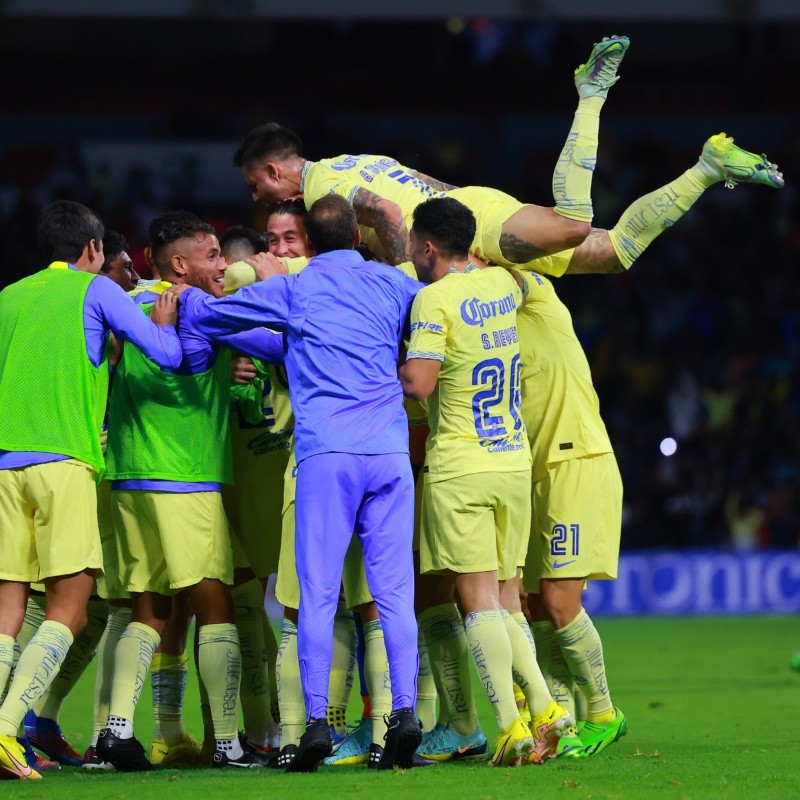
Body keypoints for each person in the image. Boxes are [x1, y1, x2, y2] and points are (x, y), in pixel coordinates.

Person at [176, 194, 423, 773]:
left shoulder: (294, 289)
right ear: (358, 240)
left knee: (315, 592)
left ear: (306, 244)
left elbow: (210, 318)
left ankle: (314, 721)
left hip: (327, 456)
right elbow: (433, 311)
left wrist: (191, 300)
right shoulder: (393, 286)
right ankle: (405, 713)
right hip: (388, 451)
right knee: (393, 594)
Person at [0, 200, 182, 781]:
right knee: (72, 610)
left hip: (6, 467)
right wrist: (168, 324)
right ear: (93, 249)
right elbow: (166, 354)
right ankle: (7, 728)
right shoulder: (96, 291)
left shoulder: (8, 297)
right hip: (66, 462)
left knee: (7, 610)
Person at [96, 215, 276, 772]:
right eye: (214, 253)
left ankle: (117, 731)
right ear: (180, 264)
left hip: (126, 476)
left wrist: (234, 377)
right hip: (186, 478)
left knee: (147, 610)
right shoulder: (198, 306)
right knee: (215, 606)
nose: (223, 264)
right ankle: (227, 742)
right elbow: (265, 342)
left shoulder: (125, 301)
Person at [399, 197, 574, 766]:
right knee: (506, 598)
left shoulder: (432, 298)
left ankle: (508, 727)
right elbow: (524, 284)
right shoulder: (501, 284)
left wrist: (383, 365)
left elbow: (421, 384)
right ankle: (547, 707)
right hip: (511, 459)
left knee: (476, 603)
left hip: (462, 463)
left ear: (427, 248)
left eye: (410, 245)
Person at [233, 37, 633, 267]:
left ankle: (590, 96)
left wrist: (409, 279)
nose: (255, 197)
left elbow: (387, 212)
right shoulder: (351, 161)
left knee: (573, 225)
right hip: (462, 214)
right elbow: (426, 181)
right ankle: (701, 169)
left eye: (254, 185)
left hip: (462, 230)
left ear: (272, 171)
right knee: (613, 253)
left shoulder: (323, 190)